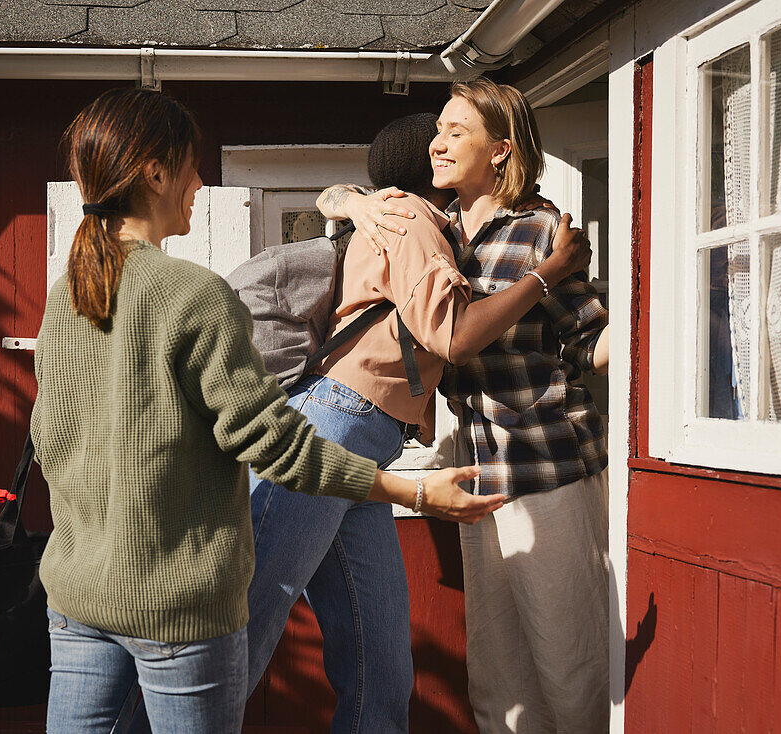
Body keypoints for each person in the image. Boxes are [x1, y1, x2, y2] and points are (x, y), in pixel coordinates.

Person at [29, 88, 505, 734]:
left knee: (377, 650)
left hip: (79, 599)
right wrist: (414, 494)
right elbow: (274, 444)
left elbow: (52, 439)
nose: (201, 182)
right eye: (191, 165)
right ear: (156, 174)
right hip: (179, 611)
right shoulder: (192, 293)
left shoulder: (69, 295)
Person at [244, 112, 593, 733]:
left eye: (454, 133)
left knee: (379, 661)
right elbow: (452, 336)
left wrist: (351, 199)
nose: (443, 145)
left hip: (365, 438)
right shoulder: (412, 221)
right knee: (245, 628)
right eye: (438, 137)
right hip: (339, 425)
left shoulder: (421, 220)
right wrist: (545, 276)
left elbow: (344, 198)